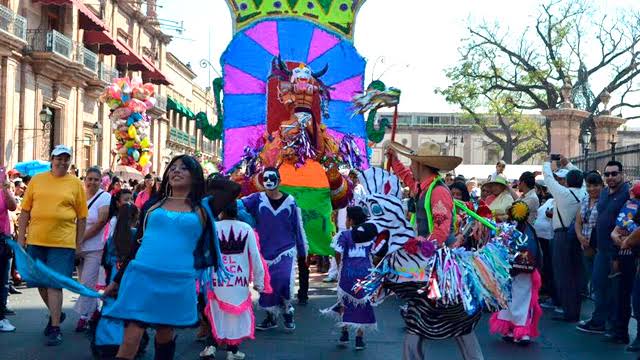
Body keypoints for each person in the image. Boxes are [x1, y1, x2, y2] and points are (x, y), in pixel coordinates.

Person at [102, 155, 240, 360]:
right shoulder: (154, 205)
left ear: (194, 176)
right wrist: (116, 280)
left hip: (177, 279)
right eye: (172, 168)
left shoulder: (203, 207)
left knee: (165, 334)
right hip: (141, 275)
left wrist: (200, 179)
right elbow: (136, 244)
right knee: (131, 337)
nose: (176, 171)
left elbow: (232, 188)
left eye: (184, 169)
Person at [386, 141, 483, 360]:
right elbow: (407, 178)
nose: (411, 166)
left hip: (441, 265)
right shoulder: (423, 187)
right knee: (418, 319)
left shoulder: (438, 191)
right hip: (429, 262)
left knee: (458, 321)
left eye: (413, 162)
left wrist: (422, 247)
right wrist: (393, 160)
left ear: (421, 165)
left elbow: (441, 228)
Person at [16, 145, 88, 346]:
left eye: (66, 159)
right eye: (59, 158)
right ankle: (55, 313)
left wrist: (78, 244)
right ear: (51, 159)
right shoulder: (37, 180)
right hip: (36, 241)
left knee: (54, 284)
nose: (62, 162)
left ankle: (55, 327)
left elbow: (82, 217)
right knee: (38, 282)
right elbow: (25, 212)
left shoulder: (75, 184)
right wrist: (21, 239)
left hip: (62, 243)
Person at [199, 200, 268, 360]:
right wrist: (259, 281)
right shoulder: (246, 228)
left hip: (216, 279)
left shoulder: (213, 228)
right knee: (235, 316)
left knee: (216, 314)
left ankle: (211, 346)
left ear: (221, 212)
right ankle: (232, 350)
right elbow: (256, 257)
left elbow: (204, 255)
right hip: (239, 280)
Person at [241, 167, 308, 331]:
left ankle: (287, 309)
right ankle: (271, 317)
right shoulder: (256, 199)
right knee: (266, 285)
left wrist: (303, 251)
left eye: (272, 178)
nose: (269, 182)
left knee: (283, 279)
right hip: (263, 249)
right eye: (266, 179)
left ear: (279, 180)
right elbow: (236, 206)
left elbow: (297, 227)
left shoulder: (290, 201)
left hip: (286, 249)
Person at [577, 160, 630, 336]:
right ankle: (600, 321)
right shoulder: (605, 193)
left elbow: (626, 224)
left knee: (617, 291)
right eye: (607, 174)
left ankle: (616, 327)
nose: (610, 177)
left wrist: (616, 255)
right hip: (601, 248)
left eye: (614, 174)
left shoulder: (627, 195)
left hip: (618, 252)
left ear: (621, 174)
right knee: (600, 285)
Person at [322, 206, 377, 351]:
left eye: (346, 218)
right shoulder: (370, 236)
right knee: (364, 305)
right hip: (365, 275)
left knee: (344, 303)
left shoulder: (344, 235)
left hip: (347, 274)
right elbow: (376, 254)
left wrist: (341, 265)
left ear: (350, 221)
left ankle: (344, 332)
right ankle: (359, 338)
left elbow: (337, 252)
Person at [489, 201, 542, 345]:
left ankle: (511, 329)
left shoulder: (507, 230)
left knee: (508, 298)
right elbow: (536, 252)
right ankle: (521, 331)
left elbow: (498, 247)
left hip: (508, 270)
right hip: (525, 271)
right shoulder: (530, 231)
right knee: (523, 300)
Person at [543, 155, 585, 323]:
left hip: (562, 235)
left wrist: (547, 161)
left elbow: (548, 177)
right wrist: (567, 164)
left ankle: (569, 311)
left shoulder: (562, 193)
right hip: (578, 234)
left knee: (563, 274)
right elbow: (579, 174)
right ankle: (575, 309)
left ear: (567, 181)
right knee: (577, 273)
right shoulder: (583, 193)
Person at [74, 167, 112, 332]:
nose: (92, 182)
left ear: (100, 181)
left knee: (87, 283)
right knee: (82, 282)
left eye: (96, 179)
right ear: (85, 179)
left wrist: (81, 239)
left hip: (95, 247)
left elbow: (101, 221)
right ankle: (94, 311)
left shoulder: (105, 197)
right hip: (77, 247)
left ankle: (84, 316)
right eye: (89, 179)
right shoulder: (79, 195)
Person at [605, 181, 640, 345]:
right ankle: (620, 332)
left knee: (635, 299)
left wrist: (626, 241)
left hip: (634, 257)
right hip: (624, 255)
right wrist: (618, 250)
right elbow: (616, 230)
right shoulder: (630, 206)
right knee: (622, 296)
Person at [574, 172, 603, 302]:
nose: (592, 189)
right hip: (584, 246)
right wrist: (580, 236)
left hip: (598, 247)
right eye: (589, 186)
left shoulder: (604, 200)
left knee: (599, 280)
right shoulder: (585, 200)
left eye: (595, 185)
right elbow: (578, 222)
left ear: (602, 186)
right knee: (591, 277)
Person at [0, 166, 18, 332]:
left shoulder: (3, 190)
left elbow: (12, 207)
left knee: (3, 279)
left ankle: (1, 313)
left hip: (4, 239)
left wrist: (6, 189)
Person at [534, 184, 557, 310]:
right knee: (546, 265)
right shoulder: (549, 200)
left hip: (550, 238)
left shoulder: (560, 200)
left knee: (550, 267)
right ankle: (547, 291)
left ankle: (551, 294)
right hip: (542, 238)